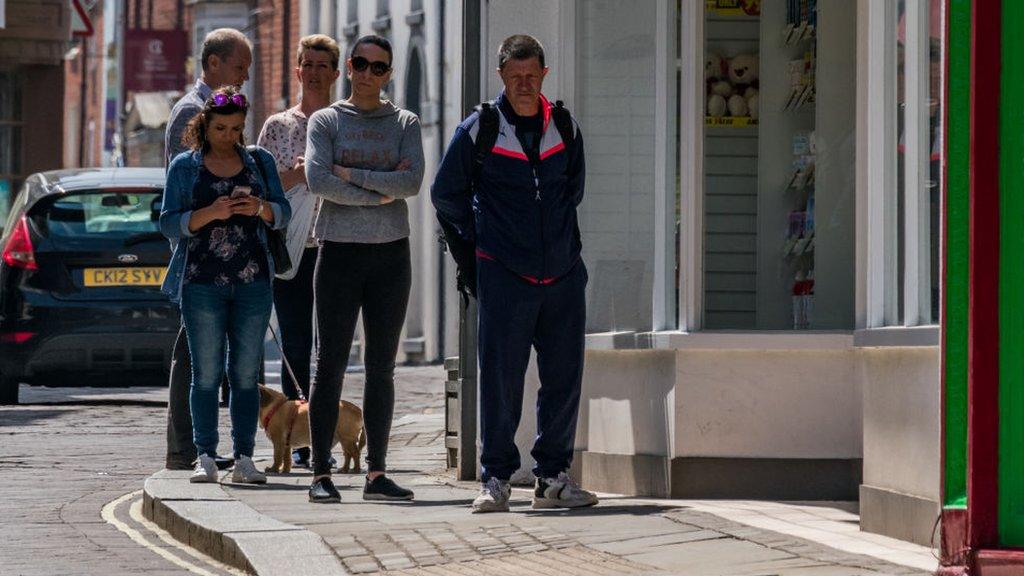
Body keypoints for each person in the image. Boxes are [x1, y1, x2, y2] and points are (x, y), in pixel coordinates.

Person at [431, 34, 598, 512]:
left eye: (532, 76)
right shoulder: (481, 128)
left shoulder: (562, 125)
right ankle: (497, 480)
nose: (524, 84)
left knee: (564, 380)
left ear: (544, 74)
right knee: (501, 380)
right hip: (504, 274)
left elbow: (574, 191)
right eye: (515, 76)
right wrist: (476, 247)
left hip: (564, 273)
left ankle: (552, 480)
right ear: (502, 76)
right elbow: (446, 196)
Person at [304, 34, 424, 503]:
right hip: (337, 251)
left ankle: (376, 474)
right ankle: (320, 473)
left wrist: (351, 174)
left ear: (389, 73)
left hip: (391, 254)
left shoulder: (405, 121)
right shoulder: (327, 120)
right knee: (329, 365)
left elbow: (412, 181)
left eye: (380, 67)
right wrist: (379, 189)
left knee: (382, 368)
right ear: (348, 68)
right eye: (361, 64)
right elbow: (318, 180)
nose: (369, 74)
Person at [160, 86, 292, 484]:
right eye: (220, 128)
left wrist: (261, 208)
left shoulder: (258, 161)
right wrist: (209, 213)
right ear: (204, 124)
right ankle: (205, 456)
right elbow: (169, 222)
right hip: (201, 283)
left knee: (245, 373)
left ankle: (245, 458)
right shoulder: (185, 167)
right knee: (206, 373)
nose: (229, 136)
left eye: (236, 128)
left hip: (252, 282)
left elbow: (282, 213)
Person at [164, 28, 253, 471]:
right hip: (201, 257)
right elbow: (181, 192)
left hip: (230, 259)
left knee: (207, 357)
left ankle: (202, 449)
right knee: (194, 357)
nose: (244, 78)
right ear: (213, 64)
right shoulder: (191, 113)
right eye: (240, 68)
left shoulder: (219, 110)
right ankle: (185, 450)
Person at [257, 34, 341, 469]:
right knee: (294, 342)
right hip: (291, 249)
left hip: (337, 244)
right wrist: (299, 174)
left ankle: (324, 431)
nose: (313, 72)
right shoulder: (277, 127)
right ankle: (297, 437)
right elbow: (262, 189)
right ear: (297, 70)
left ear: (335, 73)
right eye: (306, 64)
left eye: (322, 65)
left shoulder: (344, 122)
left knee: (330, 344)